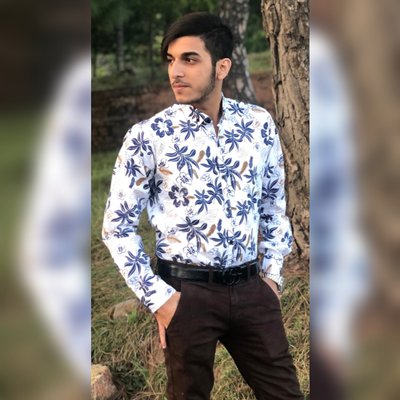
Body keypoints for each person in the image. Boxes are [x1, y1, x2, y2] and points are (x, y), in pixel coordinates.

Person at [102, 12, 303, 400]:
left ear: (222, 67)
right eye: (171, 60)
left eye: (189, 59)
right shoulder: (148, 137)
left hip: (252, 288)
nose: (175, 71)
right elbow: (117, 227)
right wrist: (161, 301)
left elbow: (273, 204)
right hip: (185, 294)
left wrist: (272, 279)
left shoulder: (258, 124)